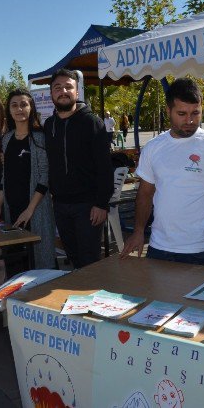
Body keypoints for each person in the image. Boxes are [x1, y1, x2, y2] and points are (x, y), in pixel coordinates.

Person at [120, 78, 204, 268]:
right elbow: (145, 194)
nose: (190, 120)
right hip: (159, 246)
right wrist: (138, 231)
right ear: (168, 111)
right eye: (182, 114)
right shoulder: (153, 148)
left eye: (196, 113)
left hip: (201, 249)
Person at [43, 68, 113, 268]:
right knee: (73, 259)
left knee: (90, 262)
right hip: (60, 206)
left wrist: (102, 204)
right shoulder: (49, 125)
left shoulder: (92, 123)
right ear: (51, 94)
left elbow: (104, 167)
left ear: (76, 92)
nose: (63, 91)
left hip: (88, 206)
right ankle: (77, 298)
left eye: (68, 87)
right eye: (58, 87)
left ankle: (93, 298)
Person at [0, 88, 56, 271]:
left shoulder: (39, 138)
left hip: (35, 209)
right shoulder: (6, 139)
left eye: (24, 104)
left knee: (39, 259)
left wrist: (30, 210)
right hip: (11, 208)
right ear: (9, 110)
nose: (19, 109)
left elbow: (45, 175)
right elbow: (5, 174)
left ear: (31, 108)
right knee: (15, 261)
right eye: (14, 105)